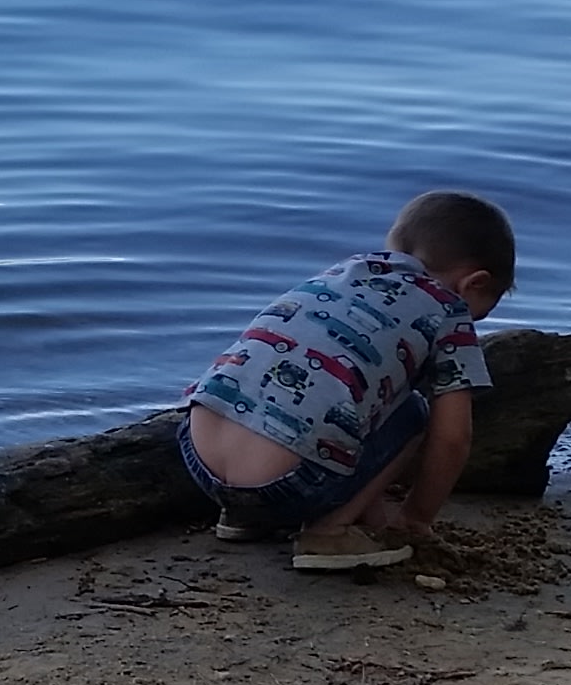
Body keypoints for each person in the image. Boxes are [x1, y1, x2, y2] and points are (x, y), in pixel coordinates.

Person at [177, 191, 515, 572]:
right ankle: (328, 533)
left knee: (333, 388)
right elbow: (453, 438)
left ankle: (242, 516)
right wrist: (416, 518)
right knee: (413, 413)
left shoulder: (345, 271)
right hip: (284, 483)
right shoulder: (449, 310)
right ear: (474, 283)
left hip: (197, 455)